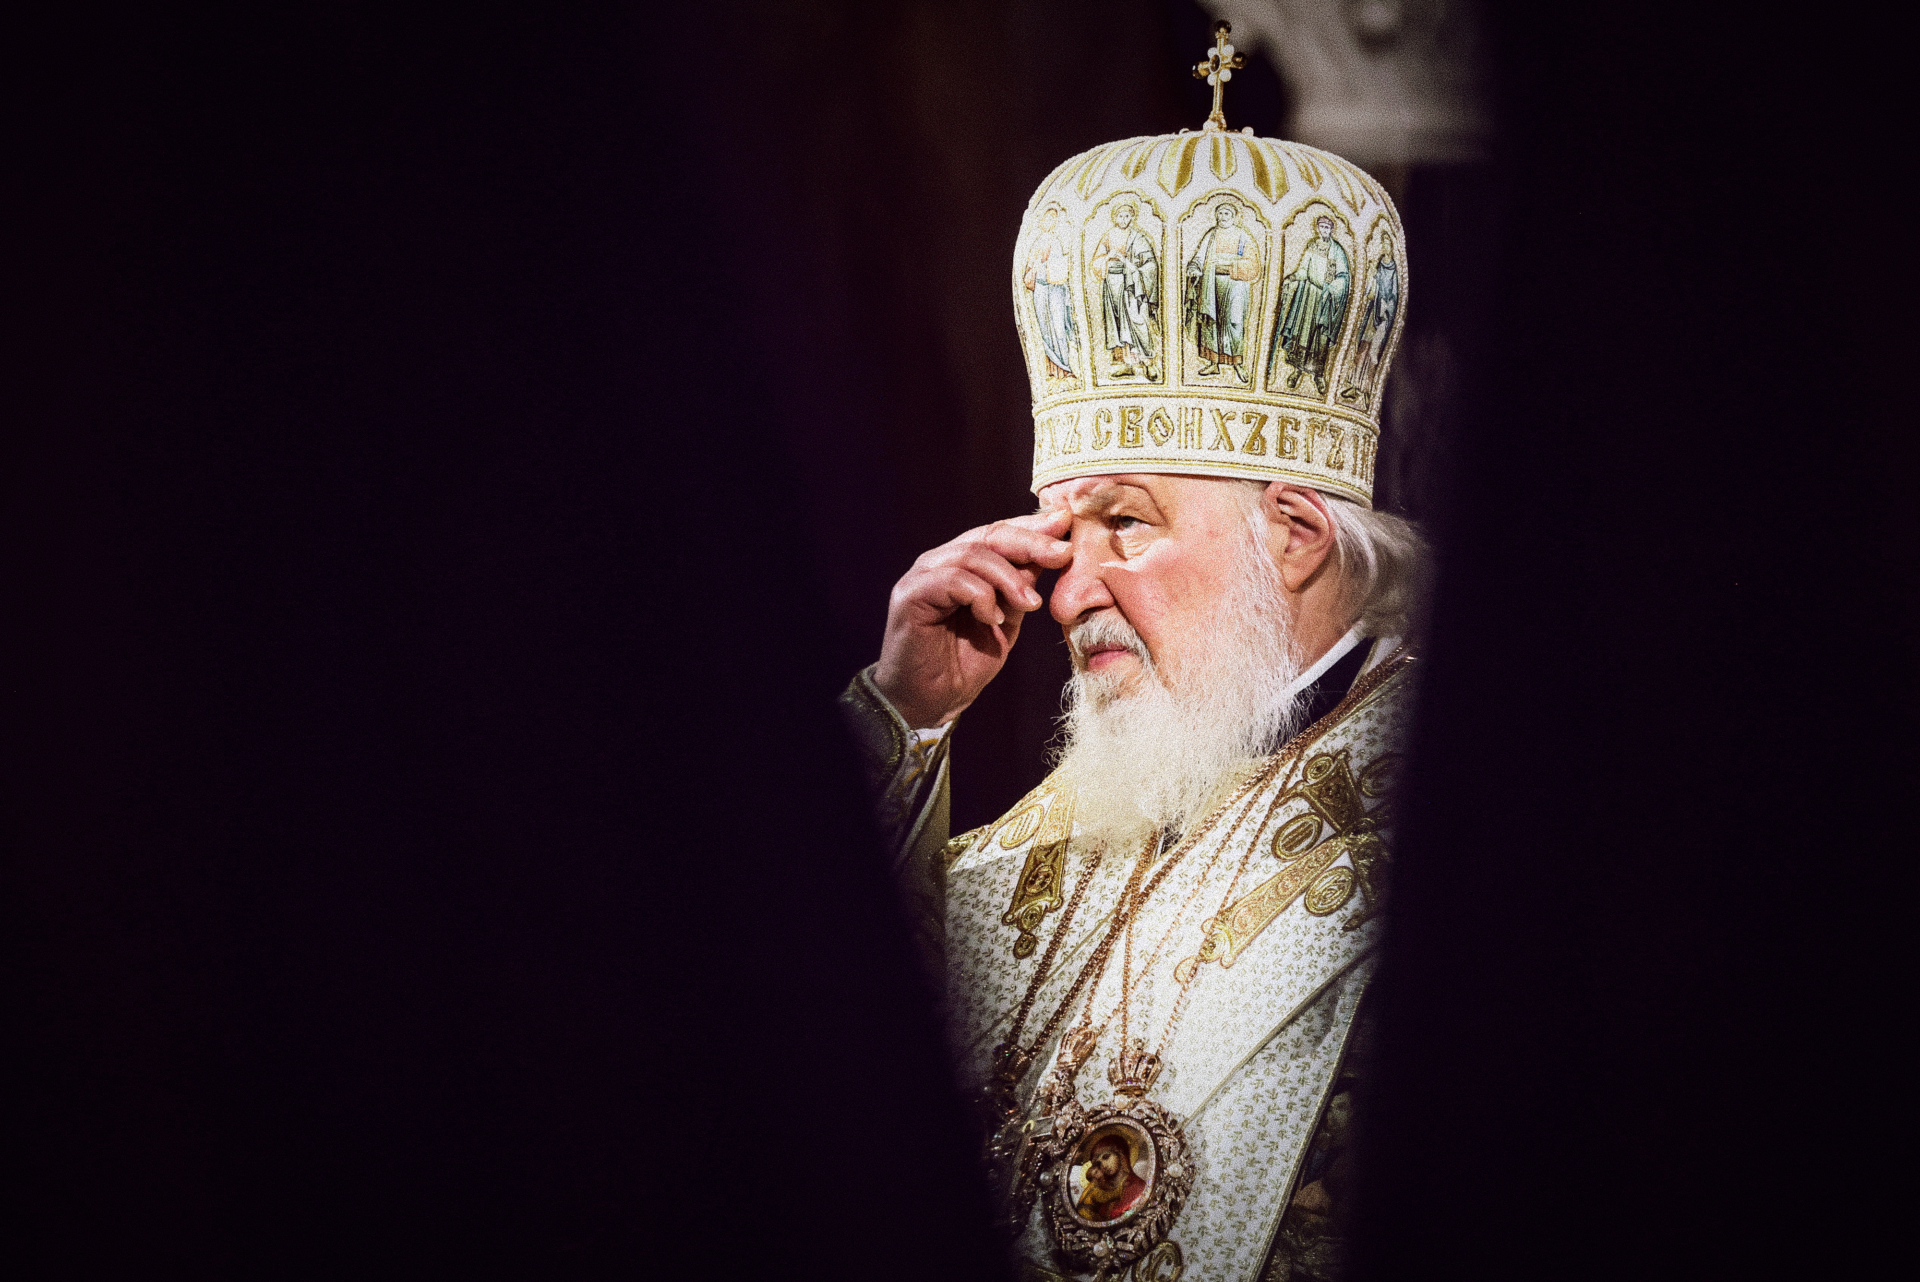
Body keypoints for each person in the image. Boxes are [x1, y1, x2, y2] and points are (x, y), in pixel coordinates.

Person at [840, 87, 1419, 1282]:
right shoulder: (1059, 835)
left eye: (1126, 524)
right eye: (1063, 534)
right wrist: (900, 721)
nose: (1067, 593)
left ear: (1295, 535)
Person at [1272, 214, 1352, 395]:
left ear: (1331, 230)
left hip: (1326, 298)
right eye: (1321, 227)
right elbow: (1303, 269)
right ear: (1317, 228)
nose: (1324, 230)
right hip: (1308, 295)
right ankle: (1297, 370)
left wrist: (1333, 288)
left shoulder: (1337, 251)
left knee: (1320, 337)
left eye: (1327, 228)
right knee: (1303, 334)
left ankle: (1319, 374)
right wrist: (1292, 277)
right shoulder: (1312, 246)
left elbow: (1343, 276)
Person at [1183, 200, 1262, 381]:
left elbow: (1253, 265)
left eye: (1227, 214)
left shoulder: (1242, 236)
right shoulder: (1211, 235)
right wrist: (1194, 268)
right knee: (1211, 323)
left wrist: (1228, 265)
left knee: (1234, 323)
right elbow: (1199, 257)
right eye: (1220, 213)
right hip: (1211, 285)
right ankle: (1213, 363)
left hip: (1236, 286)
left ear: (1234, 217)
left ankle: (1238, 363)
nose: (1223, 217)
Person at [1090, 199, 1160, 380]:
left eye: (1127, 216)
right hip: (1111, 284)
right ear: (1115, 217)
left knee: (1136, 321)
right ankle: (1125, 364)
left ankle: (1148, 363)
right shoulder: (1108, 236)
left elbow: (1151, 264)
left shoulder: (1138, 238)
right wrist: (1107, 258)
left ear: (1132, 217)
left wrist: (1130, 266)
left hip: (1132, 284)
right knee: (1117, 323)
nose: (1123, 219)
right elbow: (1096, 261)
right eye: (1120, 216)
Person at [1023, 203, 1079, 379]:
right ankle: (1053, 371)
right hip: (1040, 288)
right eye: (1046, 219)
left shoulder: (1055, 242)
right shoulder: (1036, 244)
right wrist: (1034, 265)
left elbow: (1059, 267)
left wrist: (1043, 264)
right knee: (1045, 330)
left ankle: (1066, 367)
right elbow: (1028, 268)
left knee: (1058, 327)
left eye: (1052, 220)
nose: (1048, 223)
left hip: (1055, 288)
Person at [1074, 1134, 1147, 1222]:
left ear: (1120, 1154)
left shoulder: (1138, 1186)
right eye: (1099, 1163)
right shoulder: (1101, 1188)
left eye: (1106, 1157)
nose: (1103, 1165)